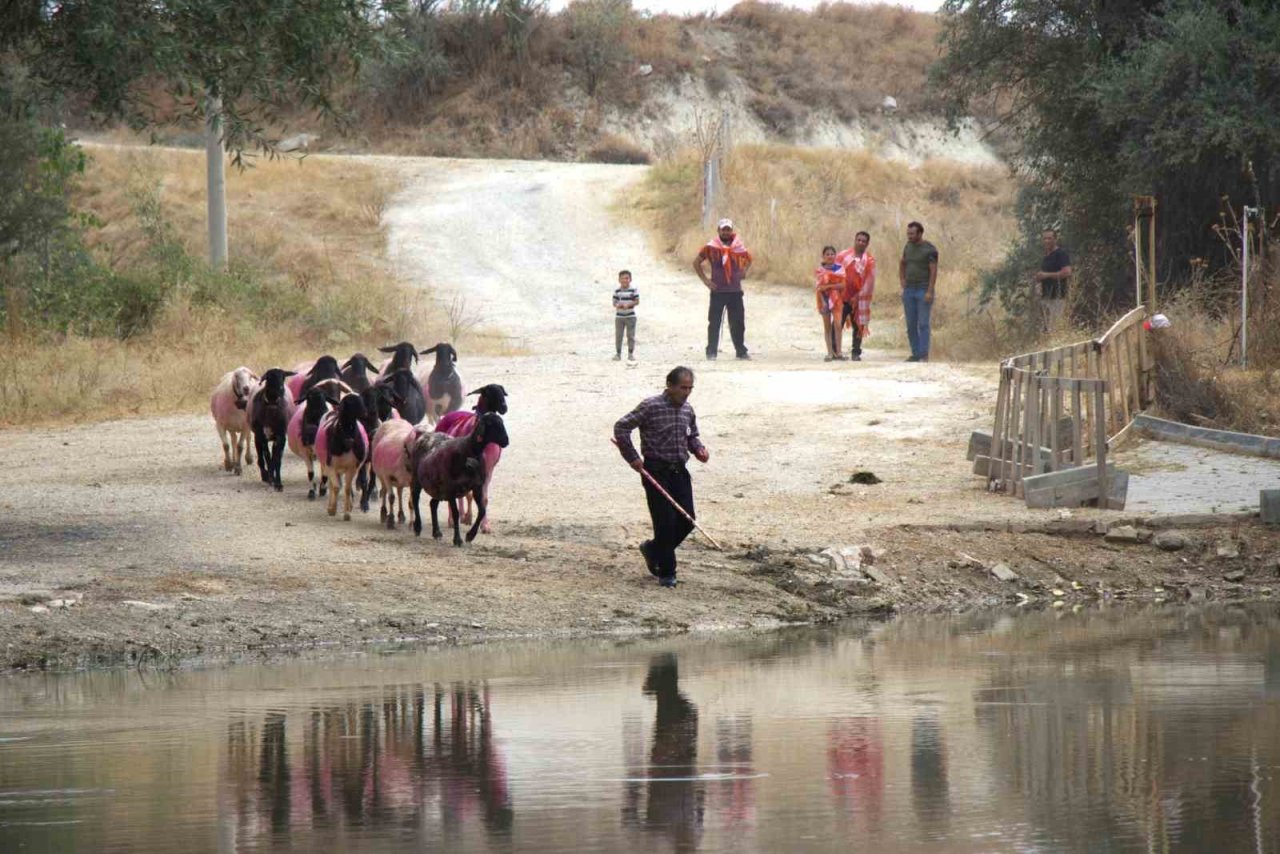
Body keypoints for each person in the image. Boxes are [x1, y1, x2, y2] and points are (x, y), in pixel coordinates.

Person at [613, 367, 709, 588]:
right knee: (664, 522)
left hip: (679, 470)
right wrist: (632, 457)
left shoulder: (688, 409)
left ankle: (653, 549)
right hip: (655, 470)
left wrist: (699, 449)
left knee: (687, 519)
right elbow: (621, 427)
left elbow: (692, 435)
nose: (686, 392)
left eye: (690, 388)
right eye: (682, 387)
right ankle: (667, 573)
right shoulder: (651, 406)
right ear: (670, 385)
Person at [693, 218, 752, 360]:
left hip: (735, 291)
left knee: (738, 323)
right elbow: (696, 262)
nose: (726, 232)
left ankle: (741, 351)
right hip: (718, 291)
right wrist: (706, 281)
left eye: (728, 229)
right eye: (723, 229)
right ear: (718, 230)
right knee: (714, 322)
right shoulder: (711, 247)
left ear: (732, 231)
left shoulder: (738, 246)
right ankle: (711, 351)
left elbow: (748, 259)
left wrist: (744, 271)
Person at [899, 221, 938, 363]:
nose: (909, 236)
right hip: (909, 289)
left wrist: (930, 291)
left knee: (923, 324)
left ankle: (923, 354)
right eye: (908, 233)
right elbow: (902, 263)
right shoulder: (908, 246)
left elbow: (933, 271)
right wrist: (902, 280)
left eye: (912, 234)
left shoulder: (930, 250)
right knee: (910, 324)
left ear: (920, 233)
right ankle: (915, 353)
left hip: (923, 289)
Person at [837, 231, 876, 362]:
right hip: (842, 297)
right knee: (837, 324)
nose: (860, 242)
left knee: (858, 326)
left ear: (867, 243)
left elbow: (869, 282)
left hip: (859, 300)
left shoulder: (869, 261)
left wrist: (858, 296)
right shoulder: (843, 255)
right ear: (854, 240)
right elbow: (835, 273)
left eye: (863, 241)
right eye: (858, 240)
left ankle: (856, 353)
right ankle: (835, 351)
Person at [1034, 228, 1072, 329]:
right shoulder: (1046, 255)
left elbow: (1067, 272)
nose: (1047, 241)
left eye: (1049, 238)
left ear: (1055, 239)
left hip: (1058, 297)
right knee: (1046, 329)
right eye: (1045, 238)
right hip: (1046, 297)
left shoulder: (1061, 254)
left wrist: (1046, 275)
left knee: (1055, 328)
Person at [814, 246, 847, 361]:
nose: (830, 256)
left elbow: (842, 285)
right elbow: (819, 288)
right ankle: (829, 353)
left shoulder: (840, 268)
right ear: (823, 256)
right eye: (827, 254)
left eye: (832, 254)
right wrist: (824, 301)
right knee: (827, 327)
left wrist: (828, 286)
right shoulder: (820, 270)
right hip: (823, 299)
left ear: (835, 255)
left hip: (837, 300)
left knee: (838, 326)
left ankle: (839, 352)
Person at [613, 269, 639, 361]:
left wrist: (628, 305)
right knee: (619, 335)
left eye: (627, 278)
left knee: (630, 336)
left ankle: (630, 354)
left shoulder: (633, 290)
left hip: (630, 316)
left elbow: (637, 301)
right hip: (619, 316)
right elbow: (614, 303)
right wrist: (618, 305)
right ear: (619, 280)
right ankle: (618, 354)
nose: (625, 280)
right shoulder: (617, 291)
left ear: (630, 279)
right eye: (622, 278)